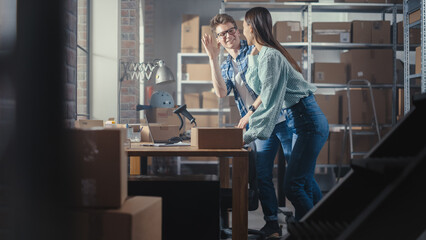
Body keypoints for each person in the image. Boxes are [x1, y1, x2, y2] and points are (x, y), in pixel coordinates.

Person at [202, 14, 294, 239]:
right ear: (218, 39)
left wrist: (251, 113)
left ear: (239, 30)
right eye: (222, 34)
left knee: (295, 174)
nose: (228, 35)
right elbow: (221, 93)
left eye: (231, 30)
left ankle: (309, 221)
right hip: (261, 126)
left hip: (282, 118)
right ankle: (272, 224)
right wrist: (213, 58)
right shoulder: (226, 65)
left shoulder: (255, 51)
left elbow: (269, 87)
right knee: (263, 176)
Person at [242, 6, 329, 231]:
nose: (242, 31)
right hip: (302, 120)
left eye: (243, 26)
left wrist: (247, 135)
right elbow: (259, 86)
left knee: (294, 186)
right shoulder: (264, 55)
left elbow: (270, 102)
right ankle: (325, 226)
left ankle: (314, 230)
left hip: (306, 119)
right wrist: (252, 57)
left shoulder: (270, 56)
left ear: (251, 28)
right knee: (304, 184)